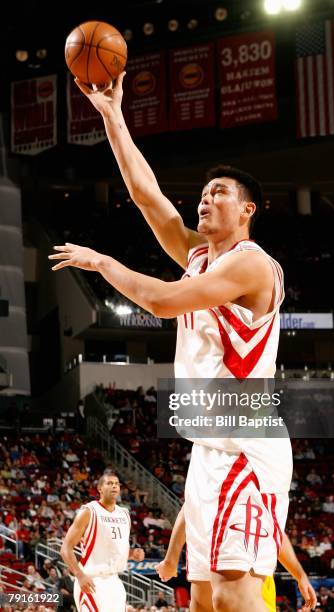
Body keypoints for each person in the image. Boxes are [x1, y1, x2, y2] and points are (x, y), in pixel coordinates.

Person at [50, 73, 293, 612]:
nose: (205, 201)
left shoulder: (251, 264)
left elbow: (160, 301)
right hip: (210, 446)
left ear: (247, 209)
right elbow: (144, 194)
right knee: (201, 596)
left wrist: (102, 263)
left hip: (245, 443)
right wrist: (112, 115)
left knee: (235, 592)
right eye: (203, 194)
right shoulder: (200, 256)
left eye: (220, 194)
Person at [156, 504, 317, 611]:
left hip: (207, 574)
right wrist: (300, 575)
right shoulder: (250, 479)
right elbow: (275, 532)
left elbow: (189, 507)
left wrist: (170, 560)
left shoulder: (204, 477)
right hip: (243, 575)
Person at [60, 469, 144, 611]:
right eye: (109, 483)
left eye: (117, 484)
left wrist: (132, 553)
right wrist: (79, 575)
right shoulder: (89, 511)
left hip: (115, 581)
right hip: (91, 579)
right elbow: (65, 549)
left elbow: (114, 549)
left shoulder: (124, 514)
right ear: (100, 489)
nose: (114, 486)